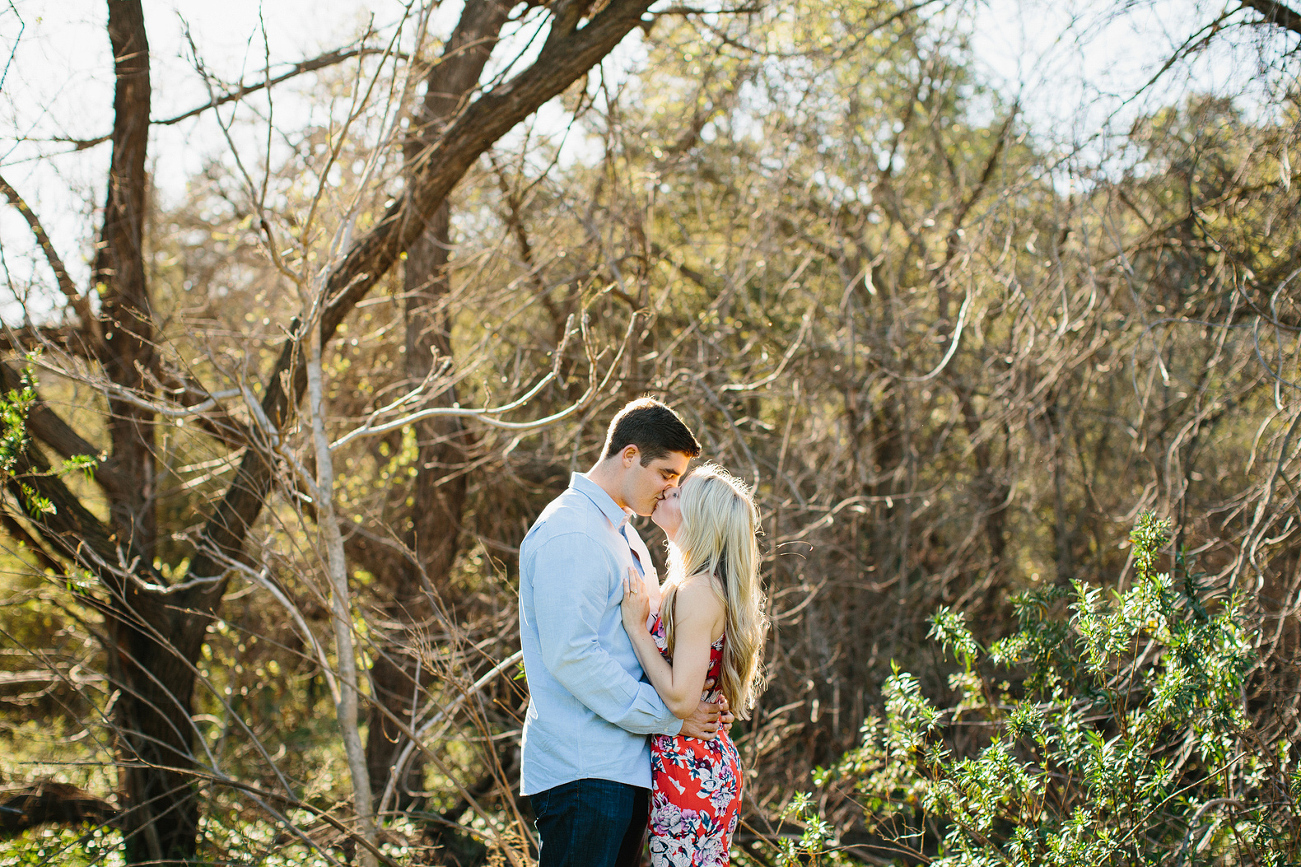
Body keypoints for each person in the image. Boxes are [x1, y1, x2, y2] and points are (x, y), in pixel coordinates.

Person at [518, 398, 734, 867]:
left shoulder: (623, 534)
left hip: (627, 768)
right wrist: (671, 717)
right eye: (666, 475)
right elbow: (572, 655)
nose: (669, 489)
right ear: (629, 456)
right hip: (585, 772)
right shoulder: (571, 532)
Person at [619, 464, 768, 867]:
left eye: (681, 492)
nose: (669, 491)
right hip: (696, 762)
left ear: (702, 518)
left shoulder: (696, 592)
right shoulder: (691, 587)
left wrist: (635, 629)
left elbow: (683, 700)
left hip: (690, 769)